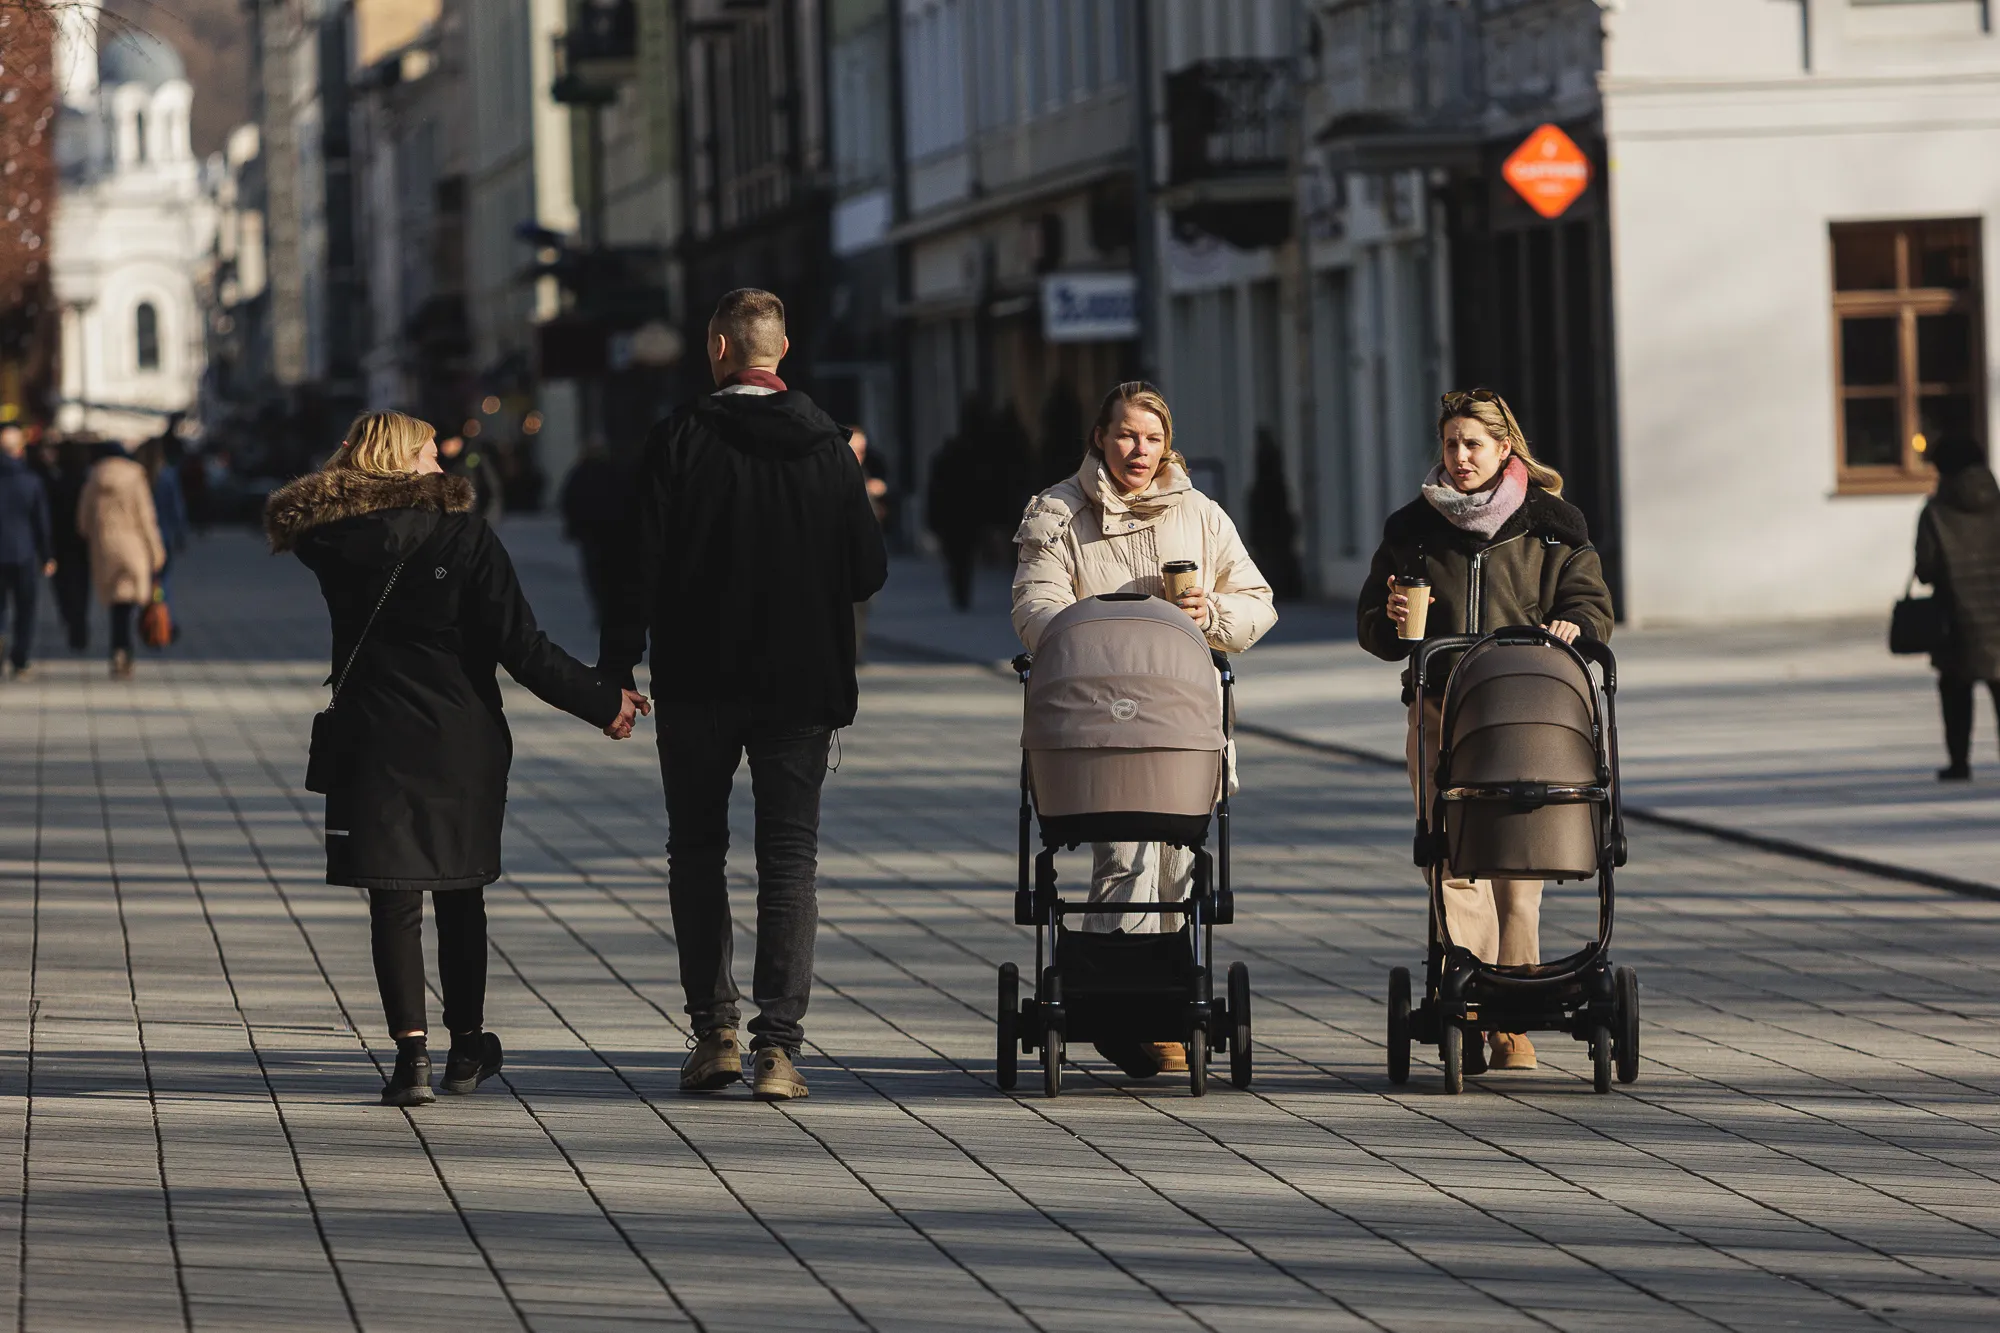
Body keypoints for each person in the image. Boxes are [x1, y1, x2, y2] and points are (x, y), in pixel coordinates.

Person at [264, 410, 648, 1107]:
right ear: (401, 460)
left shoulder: (328, 538)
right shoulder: (464, 535)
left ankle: (410, 1057)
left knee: (394, 897)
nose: (444, 467)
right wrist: (604, 700)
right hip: (458, 737)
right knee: (459, 889)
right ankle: (466, 1047)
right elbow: (522, 647)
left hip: (373, 735)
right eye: (430, 454)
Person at [599, 288, 888, 1102]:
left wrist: (616, 671)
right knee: (788, 857)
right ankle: (778, 1049)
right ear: (781, 351)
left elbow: (635, 570)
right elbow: (869, 569)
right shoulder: (829, 445)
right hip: (800, 685)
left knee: (696, 852)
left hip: (696, 682)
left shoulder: (679, 439)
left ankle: (713, 1032)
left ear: (718, 347)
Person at [1011, 381, 1277, 1076]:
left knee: (1178, 860)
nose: (1139, 449)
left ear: (1168, 444)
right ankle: (1123, 1006)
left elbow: (1257, 602)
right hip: (1097, 721)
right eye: (1126, 434)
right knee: (1125, 858)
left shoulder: (1199, 513)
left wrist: (1206, 613)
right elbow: (1037, 609)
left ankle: (1156, 999)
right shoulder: (1058, 513)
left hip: (1181, 722)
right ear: (1100, 435)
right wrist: (1110, 631)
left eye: (1153, 437)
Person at [1357, 388, 1614, 1074]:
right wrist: (1388, 616)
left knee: (1517, 862)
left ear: (1506, 448)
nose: (1461, 456)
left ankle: (1514, 1009)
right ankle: (1469, 1002)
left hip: (1524, 713)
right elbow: (1375, 631)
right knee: (1451, 855)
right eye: (1450, 444)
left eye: (1474, 444)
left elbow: (1591, 602)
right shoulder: (1412, 527)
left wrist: (1575, 626)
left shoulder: (1552, 524)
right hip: (1441, 707)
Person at [1914, 437, 2000, 781]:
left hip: (1956, 619)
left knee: (1955, 693)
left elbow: (1926, 569)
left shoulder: (1935, 512)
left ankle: (1959, 762)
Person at [77, 439, 166, 679]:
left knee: (117, 602)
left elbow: (83, 522)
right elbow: (146, 517)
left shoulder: (93, 478)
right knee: (127, 601)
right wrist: (157, 551)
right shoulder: (135, 476)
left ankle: (118, 648)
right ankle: (125, 650)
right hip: (133, 545)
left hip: (104, 547)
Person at [0, 424, 55, 680]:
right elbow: (41, 523)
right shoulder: (31, 481)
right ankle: (20, 659)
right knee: (25, 609)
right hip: (23, 553)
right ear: (19, 451)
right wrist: (47, 555)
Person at [558, 447, 629, 626]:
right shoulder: (617, 472)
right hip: (613, 532)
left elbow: (568, 500)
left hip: (591, 532)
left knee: (597, 575)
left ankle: (604, 611)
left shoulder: (580, 473)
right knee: (614, 573)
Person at [927, 401, 983, 611]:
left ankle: (959, 594)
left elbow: (933, 495)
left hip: (949, 520)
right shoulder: (970, 464)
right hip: (965, 519)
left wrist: (932, 521)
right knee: (965, 560)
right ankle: (963, 594)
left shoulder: (942, 463)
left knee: (954, 560)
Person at [45, 440, 93, 651]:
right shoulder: (86, 482)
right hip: (83, 542)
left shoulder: (53, 481)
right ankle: (79, 625)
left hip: (59, 542)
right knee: (81, 586)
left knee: (63, 585)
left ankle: (70, 620)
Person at [847, 424, 890, 660]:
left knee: (863, 606)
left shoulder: (866, 471)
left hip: (866, 552)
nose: (859, 456)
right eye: (855, 450)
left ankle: (857, 650)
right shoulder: (837, 473)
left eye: (862, 451)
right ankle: (853, 652)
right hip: (846, 556)